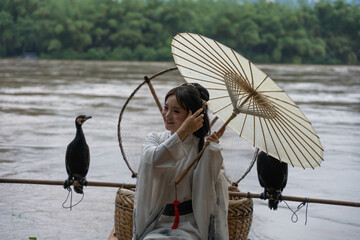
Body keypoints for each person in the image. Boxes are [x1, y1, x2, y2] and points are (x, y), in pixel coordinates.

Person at [132, 83, 229, 240]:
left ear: (193, 115)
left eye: (176, 111)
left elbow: (210, 186)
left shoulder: (202, 147)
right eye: (166, 108)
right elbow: (153, 160)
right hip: (156, 220)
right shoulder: (155, 139)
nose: (167, 115)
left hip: (190, 225)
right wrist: (183, 131)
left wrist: (212, 150)